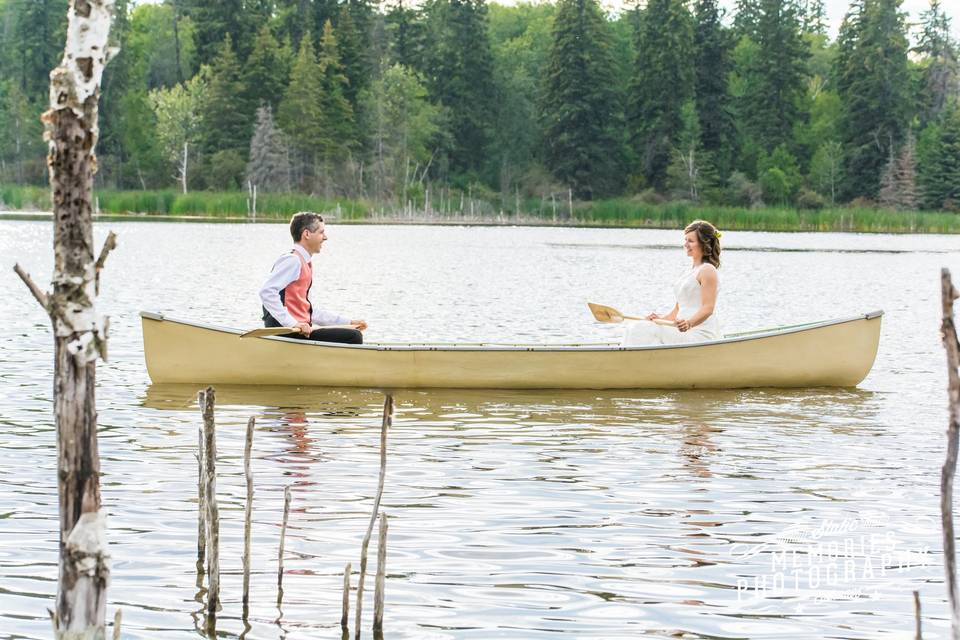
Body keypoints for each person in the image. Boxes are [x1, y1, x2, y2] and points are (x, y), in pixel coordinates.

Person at [259, 211, 368, 344]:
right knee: (353, 337)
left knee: (352, 332)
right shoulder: (293, 260)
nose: (325, 237)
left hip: (298, 331)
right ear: (307, 234)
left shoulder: (305, 263)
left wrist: (348, 322)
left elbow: (310, 312)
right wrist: (293, 323)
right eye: (321, 232)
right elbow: (267, 292)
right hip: (286, 332)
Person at [621, 219, 722, 346]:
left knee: (639, 329)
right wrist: (659, 319)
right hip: (680, 328)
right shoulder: (689, 272)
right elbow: (678, 309)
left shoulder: (708, 270)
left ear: (703, 244)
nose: (686, 244)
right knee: (637, 326)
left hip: (698, 332)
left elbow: (708, 308)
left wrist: (689, 323)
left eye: (690, 241)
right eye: (685, 240)